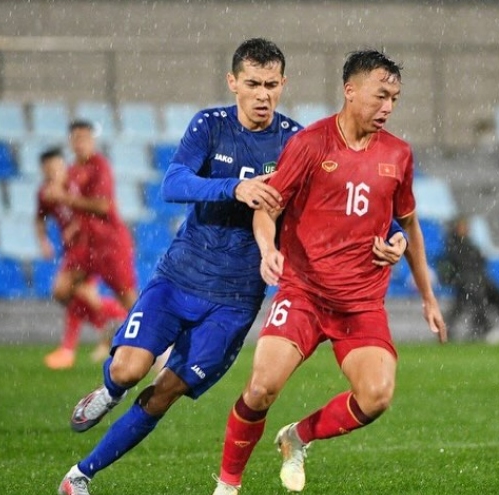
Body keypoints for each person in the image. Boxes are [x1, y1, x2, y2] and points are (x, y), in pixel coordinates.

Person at [58, 38, 406, 495]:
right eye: (253, 84)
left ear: (283, 84)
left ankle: (79, 476)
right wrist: (234, 188)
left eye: (271, 85)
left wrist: (395, 232)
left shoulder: (297, 140)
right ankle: (109, 392)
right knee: (127, 369)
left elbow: (353, 195)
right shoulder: (210, 125)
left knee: (165, 392)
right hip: (181, 276)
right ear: (233, 83)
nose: (263, 95)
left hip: (236, 299)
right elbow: (173, 183)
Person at [211, 49, 447, 495]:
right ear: (350, 90)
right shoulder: (311, 144)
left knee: (377, 395)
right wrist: (267, 248)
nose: (388, 107)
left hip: (360, 303)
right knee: (261, 388)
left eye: (394, 99)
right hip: (303, 293)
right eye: (380, 96)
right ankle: (228, 485)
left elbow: (407, 224)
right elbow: (267, 207)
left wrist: (426, 294)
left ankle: (298, 437)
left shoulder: (398, 154)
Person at [36, 147, 127, 369]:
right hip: (74, 250)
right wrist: (44, 241)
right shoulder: (45, 193)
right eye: (48, 169)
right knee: (79, 295)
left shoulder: (76, 184)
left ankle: (113, 325)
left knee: (64, 290)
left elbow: (96, 207)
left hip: (90, 247)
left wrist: (76, 227)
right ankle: (115, 324)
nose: (53, 173)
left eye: (56, 167)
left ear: (63, 166)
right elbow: (39, 217)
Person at [44, 120, 139, 315]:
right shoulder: (71, 171)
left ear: (92, 141)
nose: (80, 143)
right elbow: (62, 203)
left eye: (84, 138)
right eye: (76, 139)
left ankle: (151, 332)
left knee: (127, 296)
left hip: (109, 242)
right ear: (70, 142)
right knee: (62, 290)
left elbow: (102, 206)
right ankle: (108, 318)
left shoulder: (100, 166)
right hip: (86, 246)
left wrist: (64, 198)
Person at [440, 215, 499, 342]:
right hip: (465, 281)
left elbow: (480, 261)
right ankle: (485, 328)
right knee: (476, 297)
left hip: (477, 279)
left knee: (496, 294)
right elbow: (455, 266)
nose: (466, 229)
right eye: (463, 226)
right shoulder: (452, 245)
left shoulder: (469, 243)